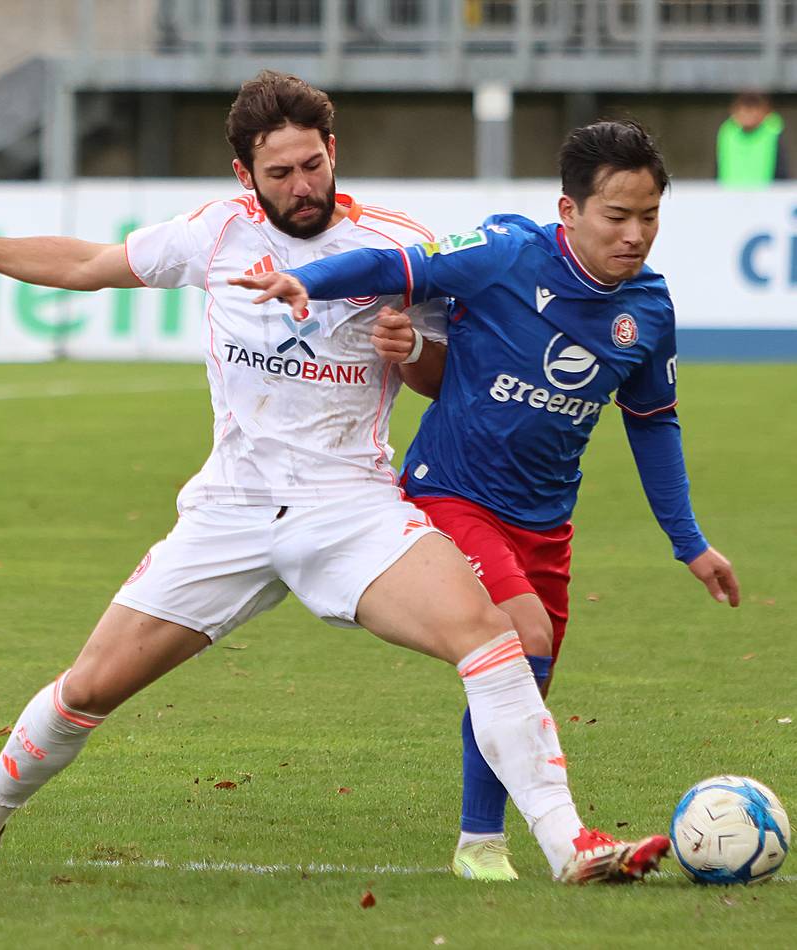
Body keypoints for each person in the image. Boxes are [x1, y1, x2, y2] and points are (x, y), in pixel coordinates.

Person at [0, 73, 668, 884]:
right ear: (245, 176)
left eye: (313, 165)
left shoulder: (395, 242)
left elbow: (445, 378)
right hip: (230, 510)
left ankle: (571, 846)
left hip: (351, 509)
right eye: (280, 173)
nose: (303, 186)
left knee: (489, 639)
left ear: (332, 152)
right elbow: (86, 263)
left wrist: (411, 351)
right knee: (87, 688)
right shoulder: (215, 233)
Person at [231, 118, 739, 881]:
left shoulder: (650, 312)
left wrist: (688, 540)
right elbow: (395, 262)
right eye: (617, 217)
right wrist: (308, 279)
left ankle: (479, 842)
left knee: (523, 677)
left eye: (650, 217)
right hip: (453, 495)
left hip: (545, 521)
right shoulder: (505, 254)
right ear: (569, 212)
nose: (635, 235)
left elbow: (652, 424)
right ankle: (558, 844)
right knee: (521, 635)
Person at [716, 92, 789, 185]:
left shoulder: (773, 132)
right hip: (730, 195)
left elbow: (782, 171)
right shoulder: (727, 133)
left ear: (764, 112)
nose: (748, 115)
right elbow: (718, 168)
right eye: (743, 110)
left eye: (753, 110)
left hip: (766, 196)